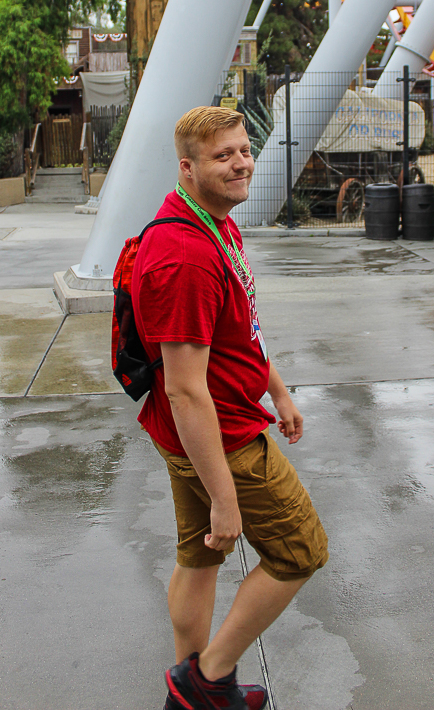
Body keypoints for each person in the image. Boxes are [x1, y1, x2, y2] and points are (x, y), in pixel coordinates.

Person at [132, 106, 329, 710]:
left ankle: (186, 690)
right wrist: (224, 495)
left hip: (203, 428)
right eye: (223, 156)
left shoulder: (214, 223)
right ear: (187, 169)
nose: (241, 162)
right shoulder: (185, 257)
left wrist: (278, 387)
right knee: (301, 549)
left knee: (199, 554)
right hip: (223, 436)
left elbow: (239, 327)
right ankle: (207, 682)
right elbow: (185, 389)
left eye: (244, 150)